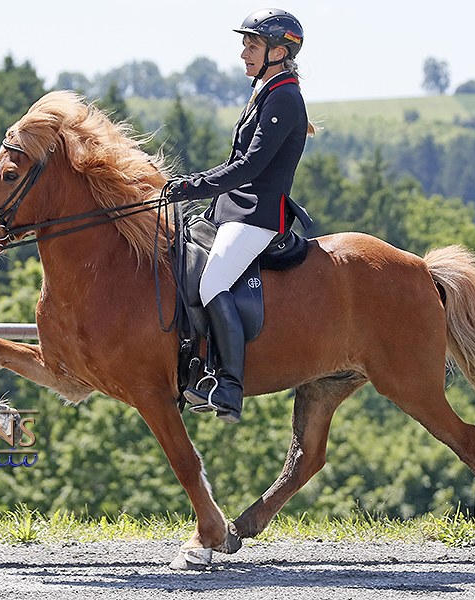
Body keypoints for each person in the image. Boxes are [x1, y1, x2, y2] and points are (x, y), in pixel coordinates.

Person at [166, 8, 311, 423]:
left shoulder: (284, 96)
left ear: (279, 51)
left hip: (258, 216)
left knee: (212, 283)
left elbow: (250, 166)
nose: (244, 52)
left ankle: (229, 385)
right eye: (244, 44)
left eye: (253, 44)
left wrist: (193, 185)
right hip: (232, 210)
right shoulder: (266, 89)